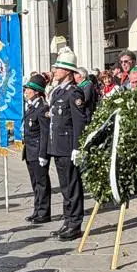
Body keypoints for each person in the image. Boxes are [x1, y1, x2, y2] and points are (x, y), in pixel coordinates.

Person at [49, 49, 88, 239]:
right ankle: (67, 220)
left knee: (72, 186)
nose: (54, 70)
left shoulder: (74, 92)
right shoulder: (58, 91)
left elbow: (79, 121)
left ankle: (75, 223)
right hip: (58, 146)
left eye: (58, 68)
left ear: (67, 71)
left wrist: (78, 147)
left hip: (68, 147)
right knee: (65, 187)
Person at [20, 72, 51, 224]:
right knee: (35, 183)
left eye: (28, 89)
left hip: (38, 151)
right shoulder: (31, 107)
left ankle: (44, 212)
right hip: (30, 151)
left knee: (42, 183)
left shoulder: (42, 108)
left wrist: (43, 154)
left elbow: (45, 133)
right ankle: (37, 210)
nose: (25, 92)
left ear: (36, 91)